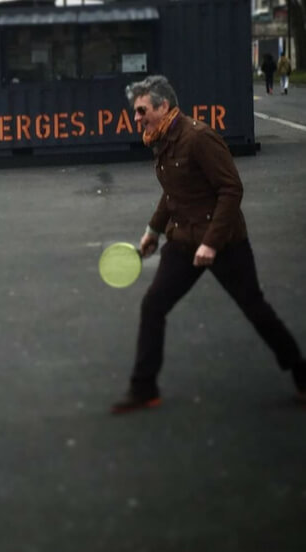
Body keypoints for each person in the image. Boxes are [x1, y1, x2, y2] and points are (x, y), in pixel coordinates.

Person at [112, 75, 305, 413]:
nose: (137, 118)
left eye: (142, 110)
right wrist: (153, 232)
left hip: (225, 242)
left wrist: (212, 244)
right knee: (153, 306)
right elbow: (174, 192)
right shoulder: (162, 140)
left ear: (163, 106)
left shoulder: (198, 138)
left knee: (255, 309)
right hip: (184, 242)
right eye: (136, 111)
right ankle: (144, 389)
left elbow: (231, 190)